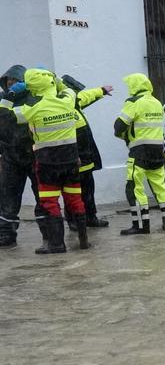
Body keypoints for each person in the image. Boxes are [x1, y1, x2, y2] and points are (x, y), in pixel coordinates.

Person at [9, 68, 89, 254]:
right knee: (75, 199)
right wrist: (54, 79)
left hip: (47, 165)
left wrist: (11, 93)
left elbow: (4, 114)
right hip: (70, 162)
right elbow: (70, 88)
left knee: (50, 202)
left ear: (30, 86)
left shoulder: (31, 109)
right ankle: (83, 240)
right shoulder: (68, 100)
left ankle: (56, 244)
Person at [115, 73, 165, 235]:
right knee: (160, 186)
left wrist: (126, 137)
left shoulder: (133, 102)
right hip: (158, 151)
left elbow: (119, 126)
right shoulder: (156, 102)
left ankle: (141, 225)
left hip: (139, 152)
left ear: (134, 86)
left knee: (134, 188)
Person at [0, 64, 51, 249]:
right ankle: (6, 234)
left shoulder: (34, 99)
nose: (11, 83)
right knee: (7, 197)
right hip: (10, 157)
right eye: (9, 80)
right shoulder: (3, 99)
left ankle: (48, 232)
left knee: (42, 195)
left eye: (16, 80)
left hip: (34, 155)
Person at [59, 74, 112, 228]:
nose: (77, 93)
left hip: (86, 159)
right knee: (72, 192)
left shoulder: (75, 102)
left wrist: (101, 90)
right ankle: (73, 220)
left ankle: (90, 217)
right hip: (72, 160)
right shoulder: (60, 107)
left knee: (88, 190)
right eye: (74, 90)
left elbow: (87, 95)